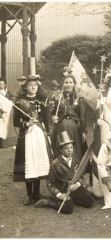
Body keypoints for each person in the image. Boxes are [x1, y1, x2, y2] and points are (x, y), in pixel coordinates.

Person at [13, 75, 52, 205]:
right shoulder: (19, 102)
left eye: (35, 84)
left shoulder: (42, 102)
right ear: (25, 87)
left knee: (38, 161)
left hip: (39, 134)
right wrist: (26, 124)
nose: (33, 87)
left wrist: (48, 133)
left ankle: (37, 193)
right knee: (29, 161)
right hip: (27, 135)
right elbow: (15, 122)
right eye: (30, 85)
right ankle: (29, 195)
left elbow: (45, 120)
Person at [35, 131, 94, 214]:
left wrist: (77, 185)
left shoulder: (76, 159)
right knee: (68, 209)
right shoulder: (55, 164)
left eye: (71, 147)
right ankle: (49, 202)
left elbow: (81, 175)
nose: (69, 150)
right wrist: (59, 195)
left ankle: (73, 199)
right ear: (60, 150)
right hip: (62, 190)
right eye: (66, 148)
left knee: (89, 201)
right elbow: (49, 183)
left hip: (74, 189)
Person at [51, 71, 87, 159]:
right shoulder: (57, 98)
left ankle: (76, 168)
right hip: (61, 127)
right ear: (62, 84)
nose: (68, 85)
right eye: (66, 82)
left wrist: (84, 131)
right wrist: (53, 117)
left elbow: (83, 116)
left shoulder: (79, 97)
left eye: (71, 82)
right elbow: (52, 113)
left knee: (75, 149)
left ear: (74, 84)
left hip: (75, 127)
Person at [0, 78, 14, 148]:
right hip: (1, 111)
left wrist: (10, 101)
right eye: (0, 84)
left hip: (7, 111)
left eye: (3, 83)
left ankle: (6, 142)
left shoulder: (7, 91)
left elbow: (12, 98)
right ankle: (1, 143)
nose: (2, 85)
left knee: (6, 125)